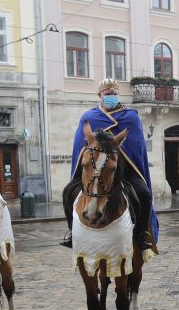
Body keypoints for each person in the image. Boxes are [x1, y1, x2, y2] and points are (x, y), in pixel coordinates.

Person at [61, 78, 157, 251]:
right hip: (94, 170)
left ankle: (142, 234)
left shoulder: (131, 117)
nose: (111, 97)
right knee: (67, 192)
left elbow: (136, 147)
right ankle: (71, 232)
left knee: (144, 193)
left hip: (125, 170)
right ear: (100, 95)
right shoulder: (89, 117)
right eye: (107, 94)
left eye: (114, 94)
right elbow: (80, 147)